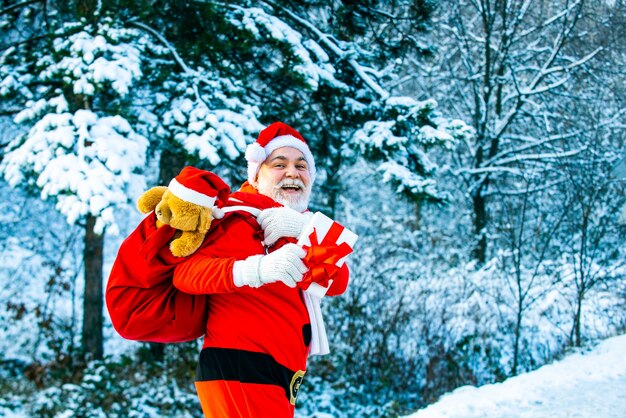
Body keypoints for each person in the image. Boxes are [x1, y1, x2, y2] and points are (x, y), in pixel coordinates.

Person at [106, 122, 350, 418]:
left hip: (279, 372)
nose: (292, 172)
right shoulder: (237, 216)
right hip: (241, 364)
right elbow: (187, 275)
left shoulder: (302, 225)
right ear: (256, 175)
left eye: (301, 166)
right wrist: (258, 269)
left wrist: (301, 228)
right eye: (279, 163)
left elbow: (337, 281)